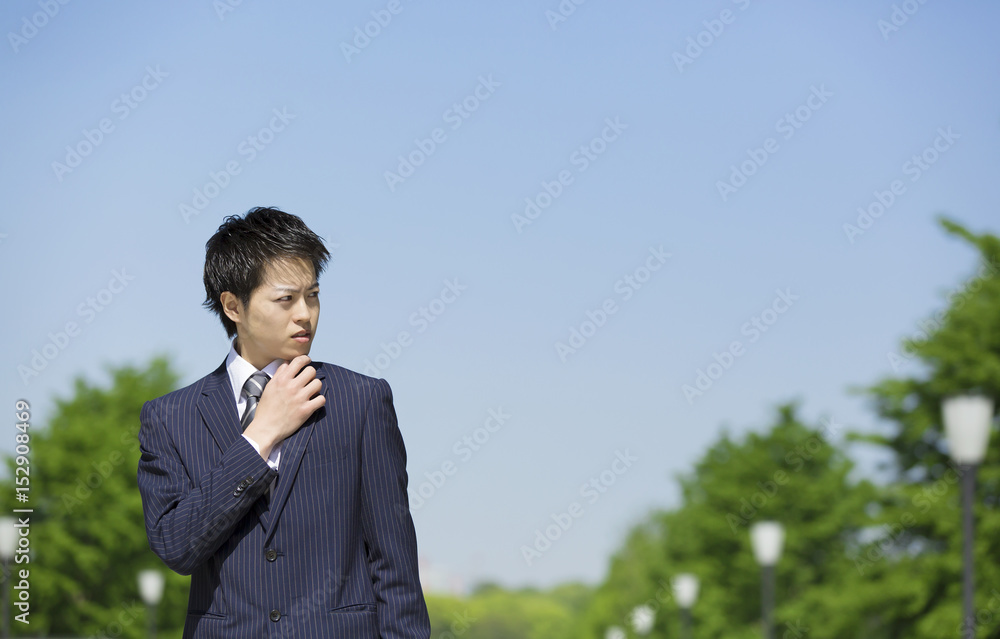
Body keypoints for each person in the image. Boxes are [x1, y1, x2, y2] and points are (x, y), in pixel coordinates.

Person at [136, 206, 430, 638]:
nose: (305, 314)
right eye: (285, 299)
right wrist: (259, 437)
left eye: (312, 295)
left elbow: (394, 564)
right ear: (233, 306)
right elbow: (176, 546)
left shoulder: (361, 400)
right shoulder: (170, 417)